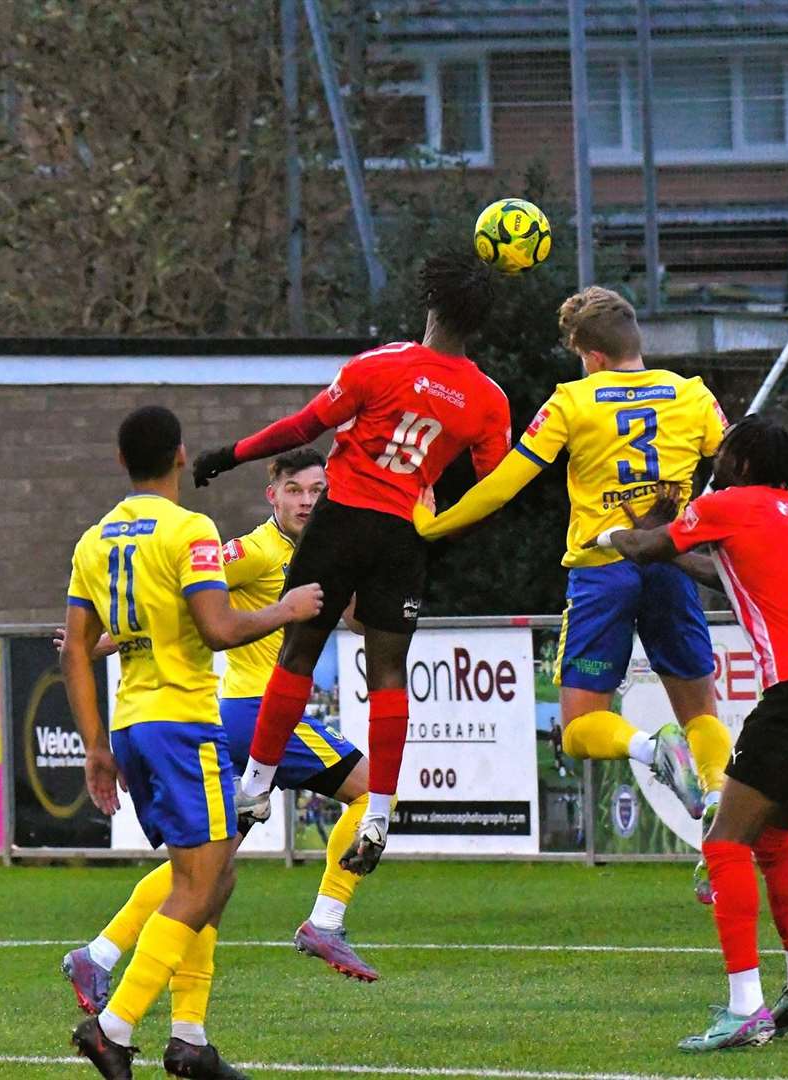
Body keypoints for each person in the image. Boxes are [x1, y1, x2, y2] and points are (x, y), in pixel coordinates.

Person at [192, 251, 511, 874]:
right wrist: (435, 533)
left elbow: (302, 427)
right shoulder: (489, 399)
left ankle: (255, 789)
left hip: (341, 522)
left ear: (432, 303)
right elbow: (491, 492)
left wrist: (228, 454)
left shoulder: (380, 365)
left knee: (299, 653)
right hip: (402, 537)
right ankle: (379, 815)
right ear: (476, 324)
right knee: (389, 674)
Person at [414, 285, 734, 901]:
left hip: (602, 567)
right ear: (635, 341)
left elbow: (504, 485)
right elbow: (737, 472)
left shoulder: (572, 401)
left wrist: (434, 524)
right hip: (672, 562)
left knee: (581, 727)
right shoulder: (693, 396)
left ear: (589, 355)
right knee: (701, 713)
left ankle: (649, 746)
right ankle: (717, 799)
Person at [60, 450, 382, 1017]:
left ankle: (100, 952)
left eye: (317, 490)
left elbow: (354, 619)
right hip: (256, 712)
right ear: (273, 496)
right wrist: (96, 642)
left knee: (203, 870)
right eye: (296, 490)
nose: (308, 500)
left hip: (254, 717)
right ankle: (326, 920)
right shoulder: (253, 551)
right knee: (376, 789)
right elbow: (176, 601)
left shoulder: (322, 551)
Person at [596, 415, 788, 1052]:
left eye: (722, 455)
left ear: (741, 464)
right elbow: (732, 573)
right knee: (769, 837)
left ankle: (747, 1006)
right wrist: (668, 540)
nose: (714, 464)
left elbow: (650, 550)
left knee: (724, 844)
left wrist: (610, 533)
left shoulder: (728, 502)